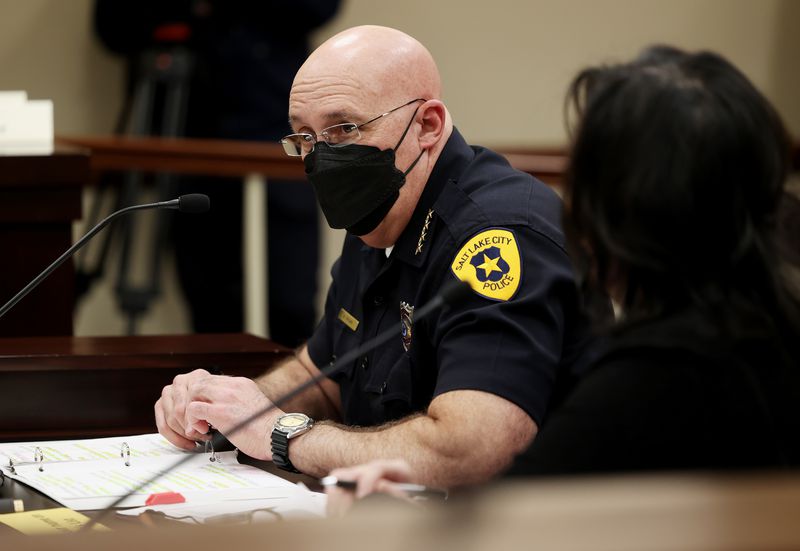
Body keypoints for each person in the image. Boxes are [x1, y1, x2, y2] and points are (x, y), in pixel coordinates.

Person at [322, 45, 800, 512]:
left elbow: (516, 524)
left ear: (613, 213)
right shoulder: (773, 334)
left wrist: (396, 519)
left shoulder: (656, 377)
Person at [155, 25, 599, 487]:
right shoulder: (382, 209)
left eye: (344, 129)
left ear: (427, 125)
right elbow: (321, 374)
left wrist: (284, 436)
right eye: (304, 136)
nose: (320, 157)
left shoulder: (497, 237)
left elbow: (470, 449)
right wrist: (228, 407)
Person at [93, 0, 341, 345]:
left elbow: (320, 8)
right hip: (189, 132)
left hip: (274, 133)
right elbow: (112, 29)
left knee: (290, 303)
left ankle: (293, 380)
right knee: (209, 308)